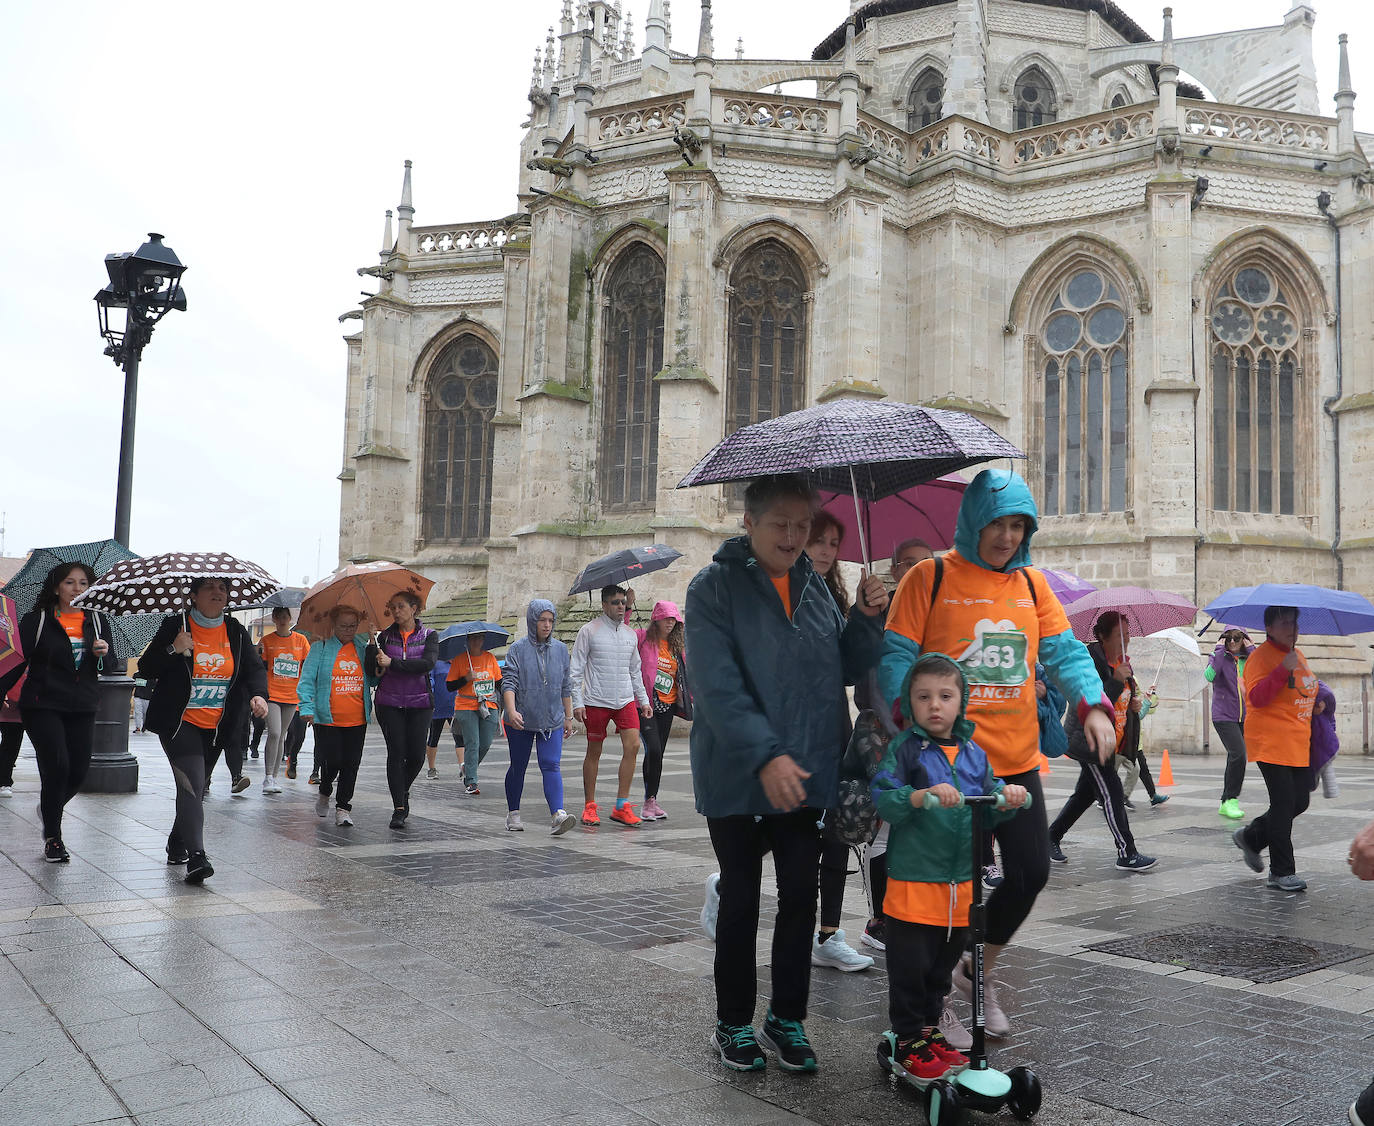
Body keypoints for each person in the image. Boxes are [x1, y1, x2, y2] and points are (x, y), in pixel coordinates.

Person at [880, 468, 1114, 1041]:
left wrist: (1095, 707)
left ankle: (974, 968)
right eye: (996, 524)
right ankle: (935, 1005)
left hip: (1014, 765)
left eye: (1018, 526)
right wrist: (903, 710)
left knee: (1031, 873)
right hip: (946, 768)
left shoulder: (1034, 587)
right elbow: (895, 655)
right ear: (973, 522)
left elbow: (1067, 656)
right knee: (952, 888)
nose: (1007, 537)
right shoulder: (930, 578)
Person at [688, 473, 888, 1073]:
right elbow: (717, 689)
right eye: (783, 524)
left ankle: (787, 1017)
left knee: (801, 894)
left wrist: (866, 618)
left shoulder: (815, 588)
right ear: (748, 523)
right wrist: (765, 753)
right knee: (743, 896)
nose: (796, 537)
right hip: (738, 773)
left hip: (805, 771)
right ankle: (732, 1022)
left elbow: (844, 666)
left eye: (804, 526)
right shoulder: (713, 588)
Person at [871, 653, 1028, 1083]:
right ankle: (907, 1042)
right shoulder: (906, 749)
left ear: (961, 702)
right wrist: (918, 797)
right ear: (911, 703)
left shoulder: (975, 753)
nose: (935, 706)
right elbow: (883, 796)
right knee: (911, 968)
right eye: (923, 697)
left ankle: (927, 1032)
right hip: (914, 884)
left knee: (940, 970)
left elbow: (991, 802)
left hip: (961, 888)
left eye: (945, 696)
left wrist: (1007, 798)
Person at [139, 577, 268, 882]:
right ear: (193, 596)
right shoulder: (176, 625)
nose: (217, 593)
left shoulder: (235, 631)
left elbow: (253, 668)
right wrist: (174, 647)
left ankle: (177, 841)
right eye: (209, 588)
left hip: (219, 726)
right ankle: (197, 857)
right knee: (193, 784)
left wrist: (259, 694)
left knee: (193, 788)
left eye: (222, 588)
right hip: (179, 722)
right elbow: (146, 668)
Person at [0, 563, 113, 862]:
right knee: (58, 767)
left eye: (83, 583)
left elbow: (111, 666)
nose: (77, 588)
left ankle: (49, 808)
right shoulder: (37, 620)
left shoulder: (98, 622)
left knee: (78, 771)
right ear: (56, 588)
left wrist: (103, 653)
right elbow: (17, 661)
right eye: (69, 582)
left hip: (83, 706)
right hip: (42, 704)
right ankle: (54, 837)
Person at [857, 537, 936, 954]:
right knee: (885, 828)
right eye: (911, 564)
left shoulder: (935, 615)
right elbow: (867, 684)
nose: (920, 570)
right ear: (895, 568)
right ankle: (879, 920)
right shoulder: (882, 612)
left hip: (925, 739)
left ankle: (908, 913)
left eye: (926, 563)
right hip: (888, 736)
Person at [805, 510, 874, 973]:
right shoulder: (790, 591)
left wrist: (865, 617)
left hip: (834, 727)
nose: (829, 550)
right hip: (801, 731)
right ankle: (727, 885)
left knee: (834, 831)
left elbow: (850, 668)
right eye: (820, 541)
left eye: (834, 542)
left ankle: (827, 934)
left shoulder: (831, 594)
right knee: (792, 831)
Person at [1047, 611, 1159, 872]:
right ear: (1102, 636)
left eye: (1128, 635)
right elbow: (1093, 700)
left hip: (1112, 739)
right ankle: (1126, 852)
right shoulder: (1088, 662)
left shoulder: (1122, 662)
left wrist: (1135, 703)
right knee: (1113, 793)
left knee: (1084, 795)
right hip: (1090, 740)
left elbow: (1122, 701)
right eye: (1120, 635)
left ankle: (1050, 836)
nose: (1126, 640)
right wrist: (1117, 681)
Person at [1232, 605, 1317, 892]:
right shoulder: (1260, 658)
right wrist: (1282, 670)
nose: (1291, 628)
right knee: (1283, 804)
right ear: (1268, 628)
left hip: (1297, 741)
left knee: (1299, 802)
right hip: (1271, 740)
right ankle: (1281, 871)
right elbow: (1256, 697)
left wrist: (1318, 703)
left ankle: (1252, 837)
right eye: (1283, 623)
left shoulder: (1297, 655)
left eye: (1293, 622)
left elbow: (1304, 688)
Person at [569, 584, 652, 827]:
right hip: (596, 700)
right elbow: (576, 669)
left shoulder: (629, 634)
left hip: (625, 699)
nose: (620, 606)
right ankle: (590, 806)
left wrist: (644, 700)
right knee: (594, 751)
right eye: (615, 602)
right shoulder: (589, 630)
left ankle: (621, 805)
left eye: (623, 602)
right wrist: (578, 701)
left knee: (634, 745)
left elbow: (635, 671)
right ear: (604, 604)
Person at [501, 599, 578, 835]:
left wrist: (568, 716)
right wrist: (512, 711)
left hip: (551, 719)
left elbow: (566, 685)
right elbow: (509, 682)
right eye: (542, 620)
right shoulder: (517, 649)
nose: (547, 625)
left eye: (550, 621)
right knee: (519, 766)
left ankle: (558, 815)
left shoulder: (560, 650)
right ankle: (513, 813)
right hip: (521, 720)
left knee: (551, 764)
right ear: (532, 621)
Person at [366, 591, 437, 829]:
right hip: (389, 702)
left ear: (414, 609)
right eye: (393, 607)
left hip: (420, 703)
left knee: (417, 756)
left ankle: (402, 789)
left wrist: (393, 663)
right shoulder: (385, 636)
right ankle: (398, 807)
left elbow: (426, 664)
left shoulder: (429, 635)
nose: (396, 611)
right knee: (396, 754)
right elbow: (372, 670)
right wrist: (370, 643)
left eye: (401, 606)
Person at [298, 606, 375, 826]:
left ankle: (343, 807)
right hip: (327, 718)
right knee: (332, 761)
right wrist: (306, 707)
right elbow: (306, 681)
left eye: (352, 626)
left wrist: (373, 645)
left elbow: (375, 679)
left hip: (357, 718)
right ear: (333, 625)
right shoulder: (320, 648)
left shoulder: (362, 648)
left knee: (351, 764)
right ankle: (325, 790)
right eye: (343, 626)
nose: (348, 630)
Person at [630, 595, 690, 822]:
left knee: (659, 754)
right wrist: (627, 607)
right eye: (666, 619)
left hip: (668, 706)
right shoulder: (643, 638)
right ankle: (648, 802)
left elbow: (684, 675)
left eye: (673, 620)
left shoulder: (677, 647)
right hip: (646, 706)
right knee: (653, 749)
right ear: (656, 619)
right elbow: (622, 633)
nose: (670, 623)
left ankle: (651, 801)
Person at [258, 607, 310, 794]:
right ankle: (268, 777)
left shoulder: (301, 641)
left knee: (281, 736)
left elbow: (307, 667)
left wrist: (307, 694)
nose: (281, 620)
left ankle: (274, 777)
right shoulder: (267, 641)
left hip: (292, 694)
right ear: (273, 619)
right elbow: (261, 668)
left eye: (284, 617)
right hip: (272, 694)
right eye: (278, 617)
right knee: (274, 732)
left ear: (290, 618)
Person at [446, 633, 502, 796]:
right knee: (473, 743)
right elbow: (450, 686)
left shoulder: (490, 658)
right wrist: (466, 678)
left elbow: (499, 682)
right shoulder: (460, 660)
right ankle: (471, 781)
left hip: (488, 704)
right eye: (473, 638)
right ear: (468, 641)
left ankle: (467, 767)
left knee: (485, 743)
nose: (477, 641)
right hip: (466, 705)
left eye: (480, 638)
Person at [1205, 628, 1253, 820]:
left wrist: (1252, 649)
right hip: (1223, 715)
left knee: (1235, 757)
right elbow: (1209, 677)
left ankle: (1226, 801)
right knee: (1238, 755)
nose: (1233, 642)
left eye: (1237, 638)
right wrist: (1217, 651)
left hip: (1243, 717)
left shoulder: (1247, 658)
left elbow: (1264, 669)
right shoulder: (1217, 657)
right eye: (1229, 638)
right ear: (1223, 639)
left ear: (1244, 640)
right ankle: (1231, 799)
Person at [425, 656, 461, 779]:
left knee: (459, 738)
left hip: (456, 707)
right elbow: (430, 681)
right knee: (434, 737)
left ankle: (463, 768)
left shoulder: (459, 662)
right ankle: (431, 768)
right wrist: (430, 701)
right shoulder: (436, 663)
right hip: (438, 708)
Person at [1310, 681, 1339, 798]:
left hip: (1322, 741)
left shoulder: (1314, 684)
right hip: (1318, 742)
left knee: (1325, 766)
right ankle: (1330, 791)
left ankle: (1330, 791)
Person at [1, 668, 26, 797]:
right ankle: (4, 781)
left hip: (20, 700)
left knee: (11, 742)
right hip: (9, 698)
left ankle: (4, 780)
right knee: (10, 743)